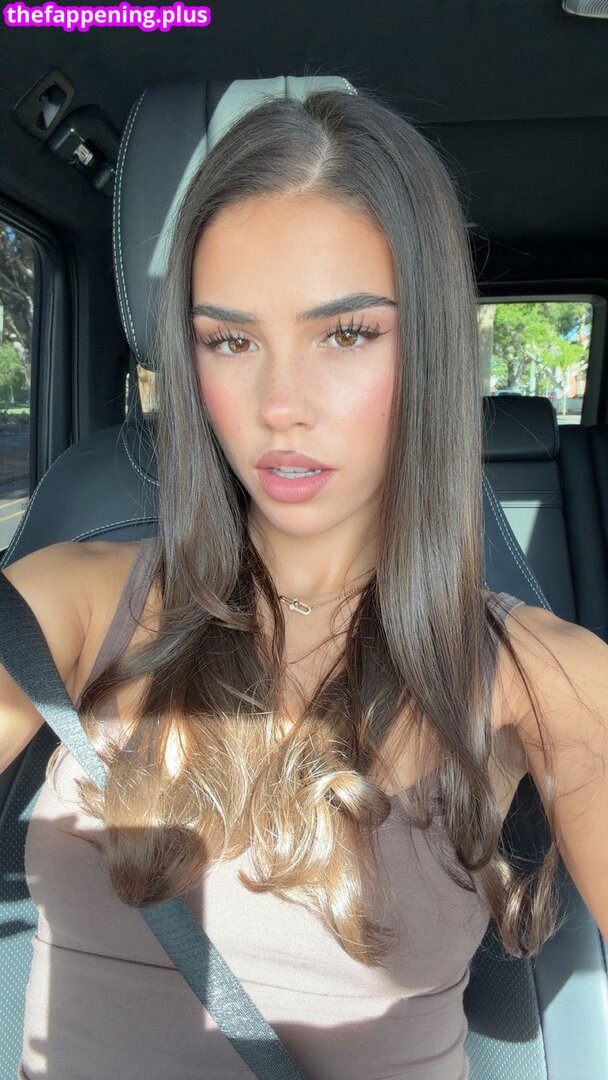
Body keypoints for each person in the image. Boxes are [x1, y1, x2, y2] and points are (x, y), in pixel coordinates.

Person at [1, 86, 606, 1080]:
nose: (279, 405)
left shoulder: (546, 678)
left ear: (428, 348)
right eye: (230, 341)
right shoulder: (69, 601)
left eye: (346, 333)